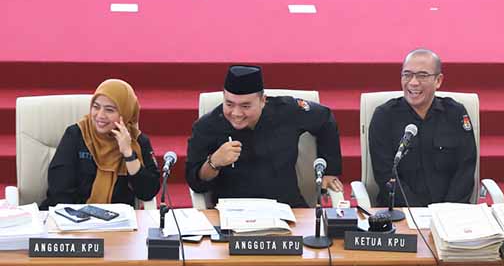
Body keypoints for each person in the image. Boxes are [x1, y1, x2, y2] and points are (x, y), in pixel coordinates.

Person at [185, 65, 343, 208]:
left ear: (262, 101)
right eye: (229, 104)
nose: (236, 113)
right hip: (232, 213)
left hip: (287, 208)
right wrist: (214, 163)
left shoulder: (287, 111)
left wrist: (329, 170)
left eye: (246, 106)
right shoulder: (207, 126)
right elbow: (196, 182)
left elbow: (325, 119)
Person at [369, 49, 477, 207]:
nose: (413, 82)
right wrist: (417, 213)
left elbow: (465, 170)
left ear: (438, 80)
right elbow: (385, 173)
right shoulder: (384, 116)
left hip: (450, 214)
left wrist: (446, 211)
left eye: (422, 75)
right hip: (402, 212)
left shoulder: (455, 113)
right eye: (407, 75)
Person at [43, 79, 160, 208]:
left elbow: (147, 193)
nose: (100, 115)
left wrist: (128, 153)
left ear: (125, 112)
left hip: (118, 220)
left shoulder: (137, 142)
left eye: (109, 110)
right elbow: (59, 189)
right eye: (96, 107)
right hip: (73, 216)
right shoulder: (76, 134)